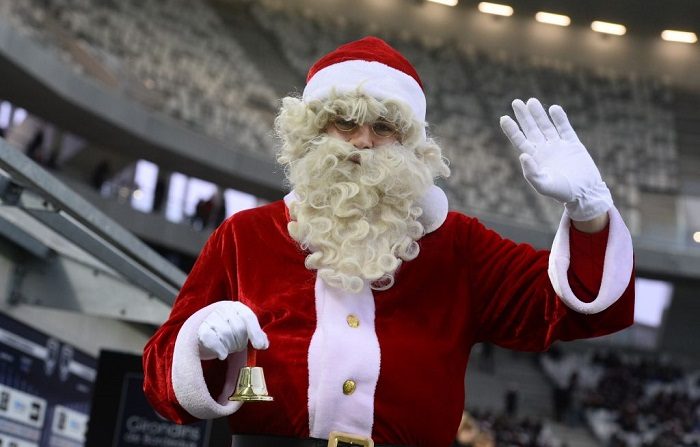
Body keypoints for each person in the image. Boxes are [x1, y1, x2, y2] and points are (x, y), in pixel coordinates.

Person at [142, 36, 635, 447]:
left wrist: (589, 213)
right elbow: (161, 378)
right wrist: (201, 343)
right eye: (346, 122)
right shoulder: (246, 236)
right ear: (313, 132)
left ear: (411, 145)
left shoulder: (458, 246)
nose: (362, 141)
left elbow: (572, 307)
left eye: (383, 127)